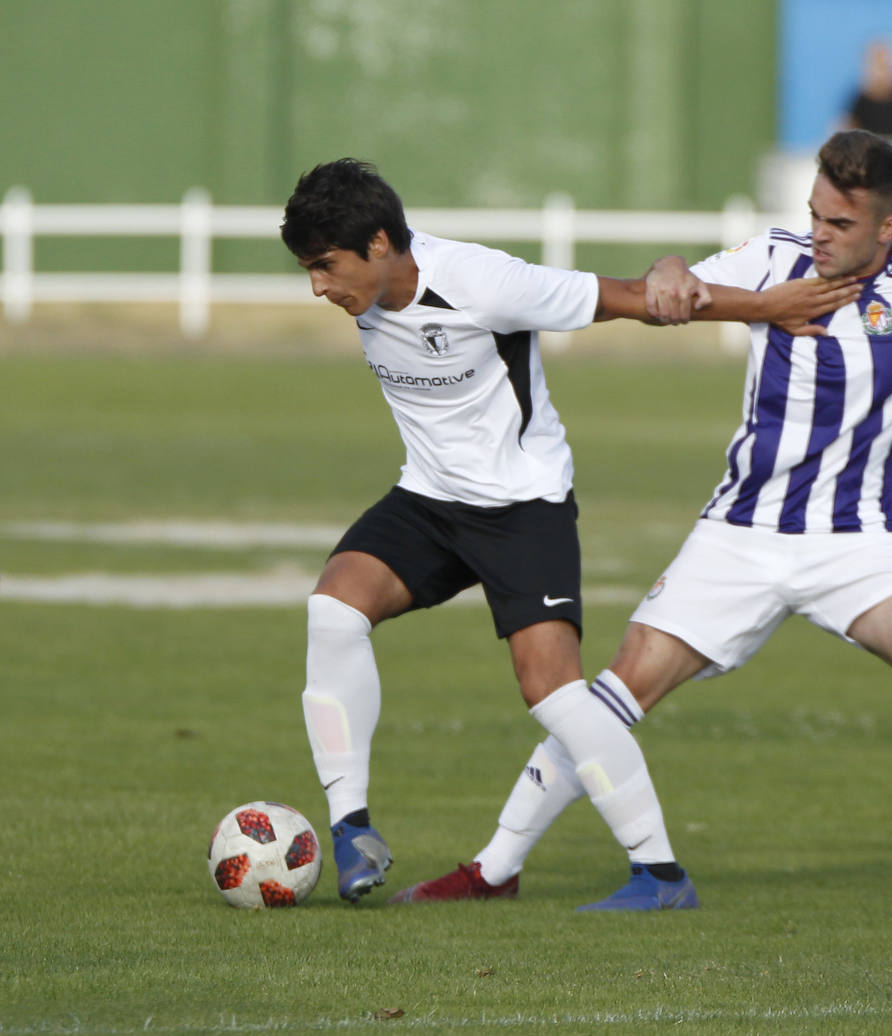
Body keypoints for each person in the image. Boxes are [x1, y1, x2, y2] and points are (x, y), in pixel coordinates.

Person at [387, 131, 892, 912]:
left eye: (841, 223)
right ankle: (495, 869)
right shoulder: (772, 259)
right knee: (606, 701)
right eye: (816, 213)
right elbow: (678, 283)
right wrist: (672, 265)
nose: (819, 233)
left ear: (889, 225)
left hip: (861, 544)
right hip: (739, 537)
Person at [277, 158, 861, 908]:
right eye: (308, 272)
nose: (320, 289)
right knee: (333, 609)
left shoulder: (484, 281)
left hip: (524, 505)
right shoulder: (363, 290)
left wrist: (765, 306)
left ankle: (660, 874)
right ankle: (351, 828)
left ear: (381, 242)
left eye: (326, 268)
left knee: (552, 694)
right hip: (427, 498)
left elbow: (630, 301)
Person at [844, 39, 892, 143]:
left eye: (886, 65)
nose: (881, 73)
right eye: (878, 66)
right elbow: (848, 128)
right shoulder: (859, 100)